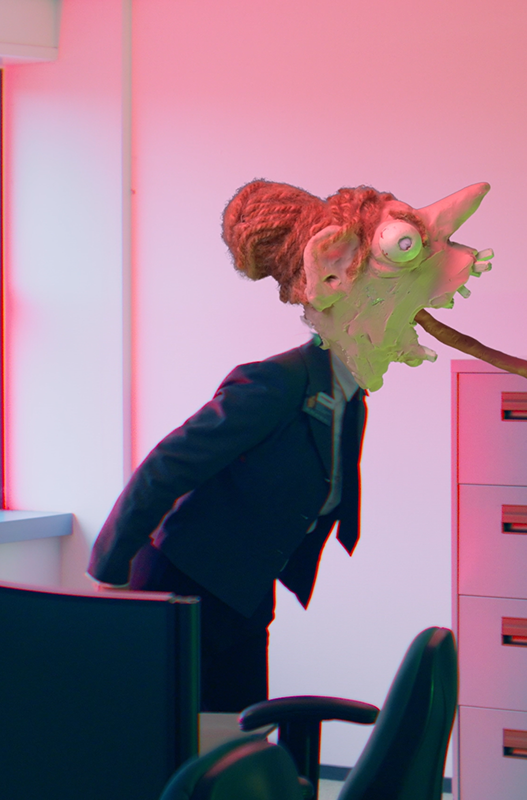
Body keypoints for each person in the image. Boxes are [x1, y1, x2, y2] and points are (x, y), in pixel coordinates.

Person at [87, 179, 492, 713]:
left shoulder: (350, 397)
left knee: (239, 730)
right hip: (184, 590)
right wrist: (110, 573)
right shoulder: (276, 382)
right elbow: (168, 465)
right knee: (184, 735)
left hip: (247, 593)